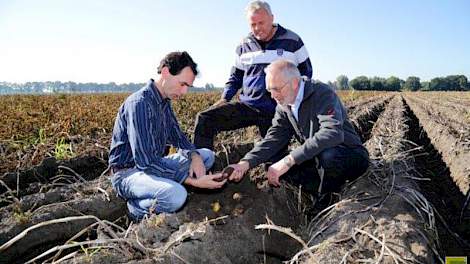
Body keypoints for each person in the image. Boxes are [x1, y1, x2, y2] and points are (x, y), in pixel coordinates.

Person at [108, 51, 226, 221]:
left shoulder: (164, 103)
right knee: (176, 196)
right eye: (182, 84)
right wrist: (192, 181)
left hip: (155, 166)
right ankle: (136, 208)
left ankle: (164, 187)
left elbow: (178, 138)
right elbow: (145, 162)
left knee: (206, 156)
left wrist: (194, 156)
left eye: (188, 86)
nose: (184, 92)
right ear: (165, 72)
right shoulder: (139, 104)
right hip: (129, 173)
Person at [228, 60, 369, 196]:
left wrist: (288, 161)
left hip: (349, 155)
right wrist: (244, 164)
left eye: (276, 89)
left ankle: (327, 198)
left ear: (294, 83)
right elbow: (274, 138)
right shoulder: (284, 105)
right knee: (273, 164)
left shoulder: (322, 93)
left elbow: (333, 133)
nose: (273, 96)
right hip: (316, 157)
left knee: (328, 155)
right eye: (269, 90)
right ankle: (313, 191)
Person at [193, 0, 313, 150]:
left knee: (274, 159)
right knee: (205, 119)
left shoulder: (293, 40)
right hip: (249, 106)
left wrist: (296, 105)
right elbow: (236, 76)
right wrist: (225, 98)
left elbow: (306, 73)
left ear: (272, 18)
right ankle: (203, 168)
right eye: (253, 24)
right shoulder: (244, 44)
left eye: (261, 23)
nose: (257, 28)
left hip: (277, 110)